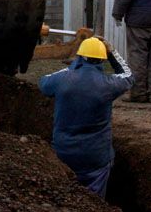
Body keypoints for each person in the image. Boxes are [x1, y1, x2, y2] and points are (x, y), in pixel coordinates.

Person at [39, 37, 133, 198]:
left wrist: (74, 66)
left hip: (64, 153)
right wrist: (112, 52)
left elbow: (43, 82)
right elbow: (128, 76)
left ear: (80, 56)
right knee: (93, 205)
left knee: (63, 198)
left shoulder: (63, 79)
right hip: (96, 157)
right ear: (102, 60)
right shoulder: (108, 84)